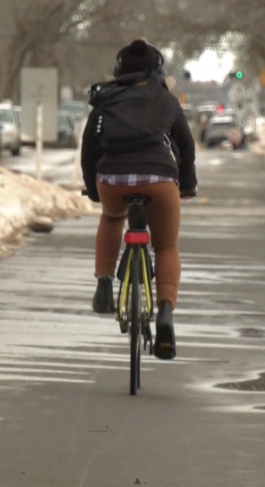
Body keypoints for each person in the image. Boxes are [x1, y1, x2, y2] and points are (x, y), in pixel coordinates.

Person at [81, 39, 197, 360]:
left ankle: (104, 285)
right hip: (160, 180)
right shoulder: (166, 99)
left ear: (118, 71)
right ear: (159, 71)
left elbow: (89, 149)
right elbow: (186, 146)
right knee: (166, 246)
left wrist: (94, 188)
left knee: (112, 217)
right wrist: (186, 185)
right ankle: (165, 314)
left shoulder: (105, 99)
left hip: (112, 180)